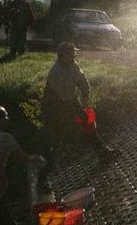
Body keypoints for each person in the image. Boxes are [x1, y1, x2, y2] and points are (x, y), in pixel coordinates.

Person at [41, 42, 116, 172]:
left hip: (69, 100)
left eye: (73, 52)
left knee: (87, 123)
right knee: (56, 139)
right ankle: (44, 173)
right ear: (63, 55)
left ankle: (103, 153)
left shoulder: (72, 65)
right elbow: (65, 97)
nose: (74, 55)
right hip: (54, 107)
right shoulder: (57, 73)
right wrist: (79, 110)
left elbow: (82, 80)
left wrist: (85, 94)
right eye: (71, 53)